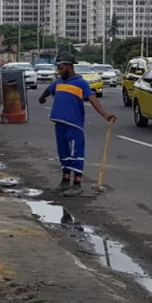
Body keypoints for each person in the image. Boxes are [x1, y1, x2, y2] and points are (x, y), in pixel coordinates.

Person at [38, 53, 116, 196]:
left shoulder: (81, 83)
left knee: (76, 155)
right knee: (64, 154)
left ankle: (77, 184)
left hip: (73, 126)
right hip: (59, 124)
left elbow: (93, 99)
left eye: (61, 68)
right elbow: (49, 89)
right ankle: (65, 181)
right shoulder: (59, 82)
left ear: (69, 67)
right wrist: (42, 98)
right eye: (58, 68)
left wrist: (105, 115)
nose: (59, 71)